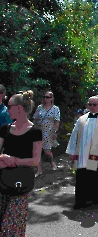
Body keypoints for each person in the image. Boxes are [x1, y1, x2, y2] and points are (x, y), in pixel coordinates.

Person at [0, 90, 42, 236]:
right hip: (1, 181)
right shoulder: (5, 129)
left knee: (12, 225)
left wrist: (14, 161)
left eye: (9, 105)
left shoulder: (35, 131)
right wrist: (3, 159)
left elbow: (35, 161)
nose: (7, 108)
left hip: (20, 183)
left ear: (19, 108)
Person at [66, 96, 98, 209]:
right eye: (90, 105)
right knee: (82, 176)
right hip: (83, 153)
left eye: (95, 105)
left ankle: (97, 198)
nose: (92, 107)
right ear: (87, 105)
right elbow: (74, 136)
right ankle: (81, 200)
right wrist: (73, 152)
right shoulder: (81, 120)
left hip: (97, 154)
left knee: (96, 174)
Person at [33, 91, 60, 176]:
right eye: (44, 97)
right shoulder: (39, 108)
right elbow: (34, 118)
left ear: (51, 98)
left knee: (47, 151)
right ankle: (39, 170)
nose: (45, 99)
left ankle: (51, 162)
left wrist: (55, 132)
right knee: (37, 150)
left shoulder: (55, 109)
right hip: (39, 130)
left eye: (47, 97)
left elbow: (56, 122)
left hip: (49, 132)